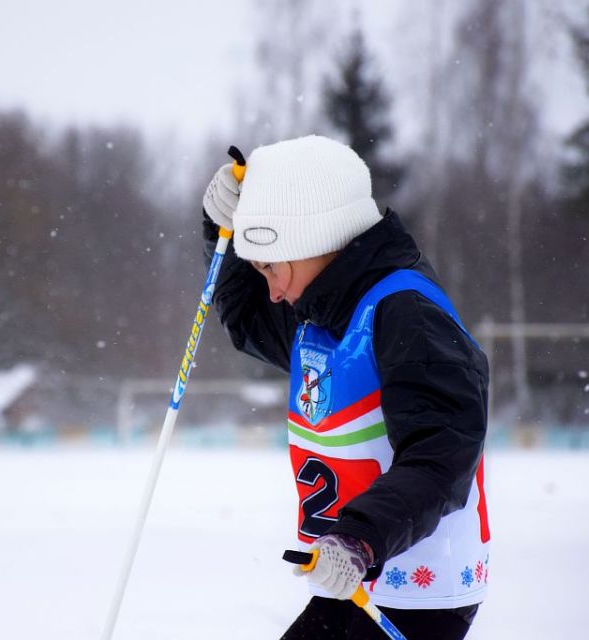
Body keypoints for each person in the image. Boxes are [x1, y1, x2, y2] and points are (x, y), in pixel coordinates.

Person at [201, 135, 491, 640]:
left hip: (414, 590)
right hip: (360, 581)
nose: (272, 291)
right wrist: (221, 229)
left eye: (270, 267)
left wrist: (360, 539)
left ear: (310, 242)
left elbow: (441, 456)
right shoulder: (319, 311)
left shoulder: (406, 314)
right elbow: (247, 320)